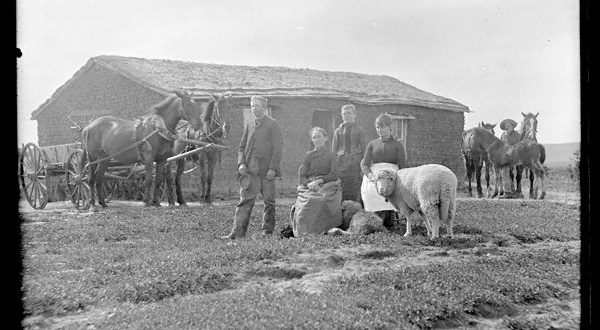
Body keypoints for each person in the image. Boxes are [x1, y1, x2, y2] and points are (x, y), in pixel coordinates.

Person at [221, 96, 283, 239]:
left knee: (269, 202)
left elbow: (278, 148)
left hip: (266, 171)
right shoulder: (249, 124)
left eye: (257, 106)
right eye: (252, 106)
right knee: (245, 201)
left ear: (264, 108)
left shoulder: (272, 124)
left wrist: (273, 168)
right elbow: (242, 147)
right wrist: (241, 163)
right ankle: (237, 232)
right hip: (250, 171)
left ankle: (266, 231)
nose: (254, 108)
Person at [291, 127, 343, 237]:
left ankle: (322, 229)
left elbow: (334, 175)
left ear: (326, 138)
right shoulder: (308, 155)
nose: (317, 139)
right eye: (314, 137)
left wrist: (319, 181)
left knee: (320, 200)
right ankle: (303, 232)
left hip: (327, 184)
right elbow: (303, 176)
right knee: (306, 202)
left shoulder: (331, 155)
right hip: (309, 185)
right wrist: (309, 184)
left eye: (319, 136)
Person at [360, 113, 407, 228]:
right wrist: (371, 176)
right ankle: (374, 219)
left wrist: (398, 178)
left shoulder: (397, 145)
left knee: (390, 189)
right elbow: (365, 164)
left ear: (390, 127)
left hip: (392, 175)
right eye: (377, 127)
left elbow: (402, 166)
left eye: (382, 127)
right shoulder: (372, 144)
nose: (380, 130)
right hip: (375, 175)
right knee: (370, 190)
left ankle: (389, 217)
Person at [331, 104, 367, 202]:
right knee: (341, 188)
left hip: (354, 164)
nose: (346, 116)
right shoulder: (338, 131)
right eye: (344, 114)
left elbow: (364, 151)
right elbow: (334, 151)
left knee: (354, 188)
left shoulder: (359, 130)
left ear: (354, 115)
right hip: (341, 164)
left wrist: (363, 168)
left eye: (349, 113)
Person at [499, 118, 520, 197]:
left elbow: (517, 146)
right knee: (507, 174)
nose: (506, 127)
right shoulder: (503, 134)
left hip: (513, 157)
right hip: (504, 156)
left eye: (508, 125)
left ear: (512, 126)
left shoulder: (517, 135)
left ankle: (507, 192)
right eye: (505, 126)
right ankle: (512, 191)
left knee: (504, 173)